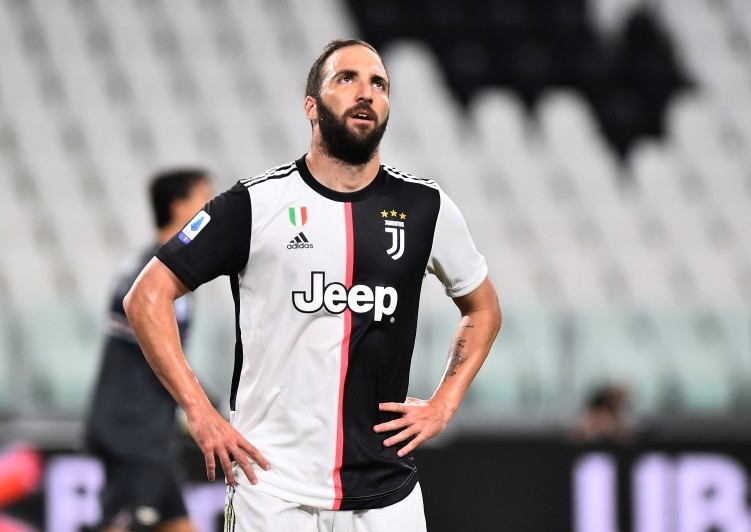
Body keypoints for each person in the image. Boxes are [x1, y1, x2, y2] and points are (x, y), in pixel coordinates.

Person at [123, 39, 502, 532]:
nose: (365, 92)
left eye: (379, 84)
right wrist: (200, 412)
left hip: (388, 498)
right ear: (311, 106)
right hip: (274, 490)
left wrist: (444, 402)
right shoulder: (255, 204)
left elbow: (484, 308)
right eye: (347, 79)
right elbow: (147, 297)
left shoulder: (425, 208)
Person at [85, 169, 213, 532]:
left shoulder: (164, 269)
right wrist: (206, 404)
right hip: (132, 433)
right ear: (178, 207)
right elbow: (155, 351)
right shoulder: (146, 276)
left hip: (150, 433)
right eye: (204, 197)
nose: (213, 208)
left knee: (179, 526)